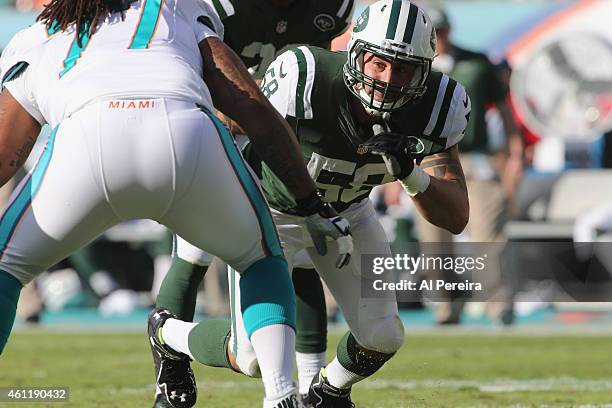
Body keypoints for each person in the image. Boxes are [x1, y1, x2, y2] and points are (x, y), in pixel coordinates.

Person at [0, 2, 353, 408]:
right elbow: (248, 104)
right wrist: (309, 201)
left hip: (86, 142)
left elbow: (5, 154)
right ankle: (281, 395)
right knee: (261, 259)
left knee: (6, 269)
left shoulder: (35, 37)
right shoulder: (176, 6)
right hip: (185, 135)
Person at [152, 1, 471, 406]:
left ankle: (327, 391)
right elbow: (251, 135)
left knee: (384, 336)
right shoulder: (304, 75)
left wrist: (411, 172)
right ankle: (167, 333)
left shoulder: (438, 106)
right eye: (378, 63)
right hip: (269, 212)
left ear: (425, 72)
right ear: (354, 53)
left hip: (349, 212)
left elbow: (457, 215)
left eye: (404, 68)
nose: (389, 79)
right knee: (250, 359)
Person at [152, 2, 356, 405]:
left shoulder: (332, 6)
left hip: (283, 136)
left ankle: (311, 384)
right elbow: (183, 65)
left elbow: (317, 69)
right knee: (194, 252)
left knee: (299, 247)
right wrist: (244, 112)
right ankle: (168, 365)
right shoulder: (218, 6)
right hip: (217, 127)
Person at [411, 5, 524, 324]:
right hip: (429, 160)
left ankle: (499, 303)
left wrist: (515, 154)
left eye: (443, 29)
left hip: (476, 158)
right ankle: (446, 305)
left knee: (489, 234)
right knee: (434, 238)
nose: (441, 36)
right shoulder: (413, 67)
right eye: (435, 31)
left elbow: (504, 110)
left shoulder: (476, 63)